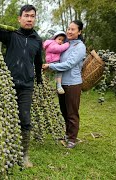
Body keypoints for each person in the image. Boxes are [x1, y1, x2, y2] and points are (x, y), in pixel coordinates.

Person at [0, 4, 43, 168]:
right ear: (20, 18)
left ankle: (23, 156)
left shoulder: (37, 40)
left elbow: (38, 62)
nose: (29, 19)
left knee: (25, 119)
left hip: (26, 86)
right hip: (7, 84)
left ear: (35, 19)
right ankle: (6, 150)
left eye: (32, 16)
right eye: (26, 16)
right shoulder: (12, 35)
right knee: (6, 118)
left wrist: (39, 79)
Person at [42, 20, 86, 149]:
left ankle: (72, 139)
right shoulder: (66, 44)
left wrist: (50, 66)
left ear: (79, 32)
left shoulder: (80, 46)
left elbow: (69, 64)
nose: (69, 31)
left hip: (73, 83)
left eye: (73, 29)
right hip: (61, 83)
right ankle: (67, 134)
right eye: (68, 29)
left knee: (72, 112)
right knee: (64, 110)